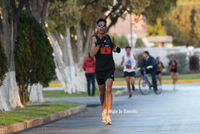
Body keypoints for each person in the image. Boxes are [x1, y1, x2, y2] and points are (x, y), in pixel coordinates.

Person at [90, 18, 121, 125]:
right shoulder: (94, 39)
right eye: (99, 25)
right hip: (99, 69)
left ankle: (108, 115)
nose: (101, 27)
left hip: (109, 68)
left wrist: (117, 49)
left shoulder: (110, 38)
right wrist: (99, 45)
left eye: (103, 25)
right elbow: (92, 54)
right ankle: (103, 110)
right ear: (97, 27)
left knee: (108, 90)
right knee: (102, 93)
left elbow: (113, 47)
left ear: (106, 27)